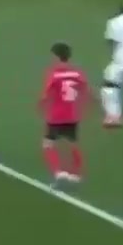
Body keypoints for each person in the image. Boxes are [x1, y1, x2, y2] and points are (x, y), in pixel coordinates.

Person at [40, 43, 88, 184]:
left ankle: (58, 172)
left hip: (56, 116)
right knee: (73, 144)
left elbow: (46, 95)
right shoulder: (77, 73)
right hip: (72, 116)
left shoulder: (55, 74)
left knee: (48, 144)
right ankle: (76, 175)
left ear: (56, 56)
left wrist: (41, 104)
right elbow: (85, 89)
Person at [101, 2, 123, 129]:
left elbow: (111, 42)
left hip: (122, 60)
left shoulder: (115, 22)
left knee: (110, 85)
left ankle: (113, 116)